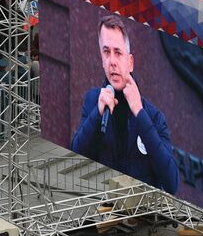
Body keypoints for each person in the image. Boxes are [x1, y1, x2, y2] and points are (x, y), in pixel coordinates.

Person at [70, 15, 179, 194]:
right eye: (106, 52)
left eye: (118, 53)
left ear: (130, 62)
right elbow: (75, 158)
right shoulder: (92, 101)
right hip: (101, 209)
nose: (112, 61)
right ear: (101, 59)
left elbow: (172, 183)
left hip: (141, 215)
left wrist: (139, 113)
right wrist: (97, 114)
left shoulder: (153, 116)